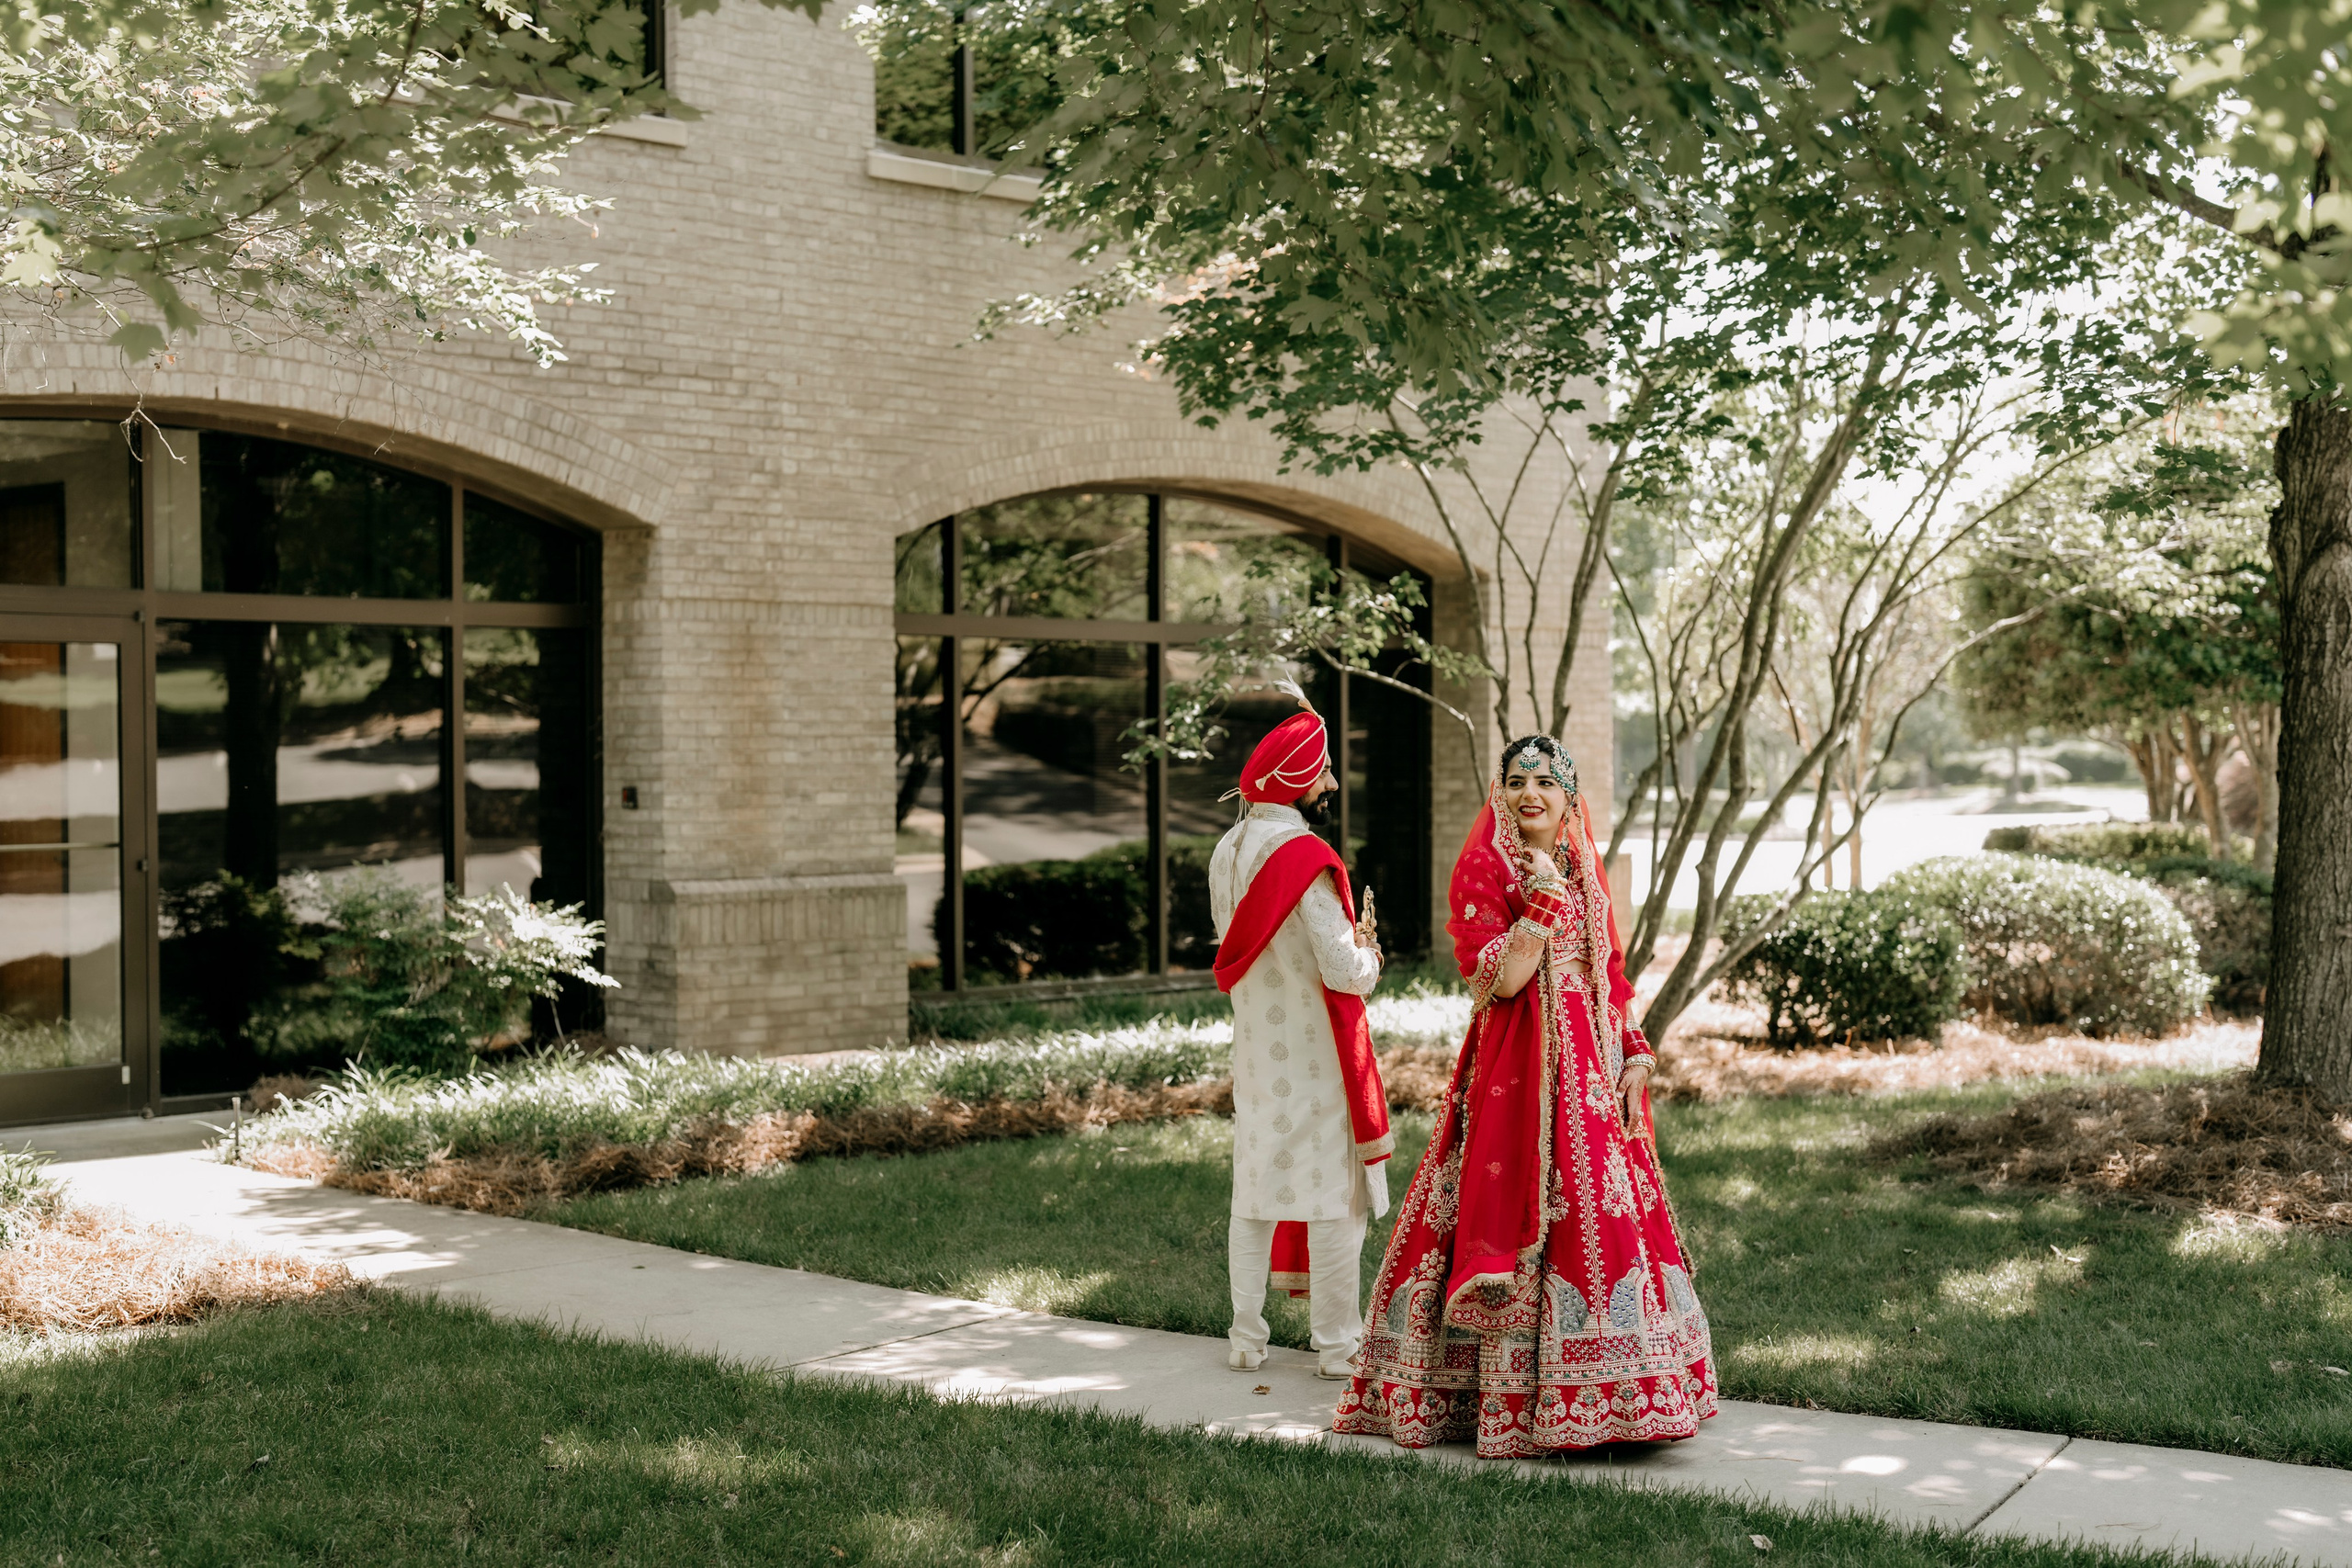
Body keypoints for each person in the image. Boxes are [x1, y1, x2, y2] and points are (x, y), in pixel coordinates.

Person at [1333, 734, 1717, 1458]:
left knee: (1604, 1215)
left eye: (1546, 780)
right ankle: (1505, 1392)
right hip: (1522, 1072)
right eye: (1516, 779)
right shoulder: (1487, 865)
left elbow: (1609, 970)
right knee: (1518, 1215)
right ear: (1500, 790)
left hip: (1591, 1073)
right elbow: (1497, 980)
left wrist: (1633, 1048)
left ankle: (1622, 1389)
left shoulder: (1582, 860)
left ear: (1571, 796)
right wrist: (1541, 901)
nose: (1529, 792)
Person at [1209, 683, 1390, 1380]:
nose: (1332, 782)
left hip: (1255, 1046)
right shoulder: (1302, 858)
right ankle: (1338, 1347)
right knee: (1333, 1199)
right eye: (1322, 770)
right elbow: (1344, 971)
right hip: (1316, 1054)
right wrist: (1371, 950)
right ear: (1295, 780)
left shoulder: (1227, 851)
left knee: (1253, 1191)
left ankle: (1245, 1337)